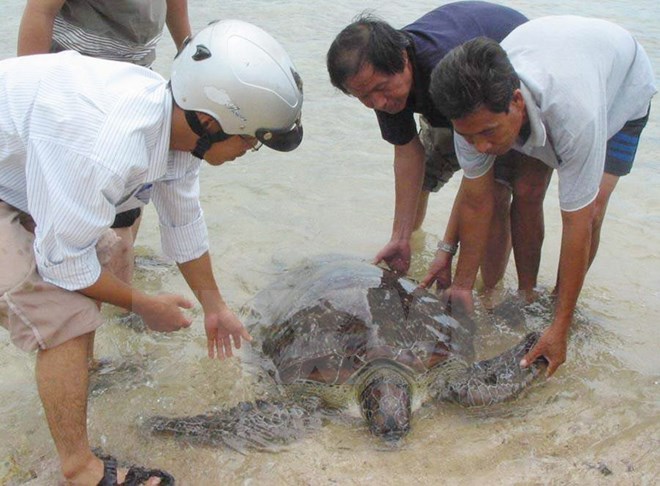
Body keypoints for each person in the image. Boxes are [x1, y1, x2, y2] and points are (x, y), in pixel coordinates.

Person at [0, 19, 303, 485]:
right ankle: (79, 469)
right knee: (62, 311)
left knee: (102, 256)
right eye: (251, 138)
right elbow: (65, 266)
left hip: (17, 174)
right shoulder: (107, 145)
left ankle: (78, 375)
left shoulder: (173, 126)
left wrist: (214, 307)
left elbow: (184, 222)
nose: (249, 150)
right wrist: (146, 306)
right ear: (209, 121)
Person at [426, 15, 656, 376]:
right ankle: (525, 296)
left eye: (488, 132)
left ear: (517, 102)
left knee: (591, 209)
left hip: (622, 91)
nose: (480, 146)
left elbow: (576, 223)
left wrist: (559, 328)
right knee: (527, 188)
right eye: (470, 137)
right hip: (557, 53)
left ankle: (560, 311)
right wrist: (462, 284)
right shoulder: (469, 120)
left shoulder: (575, 116)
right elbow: (477, 200)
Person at [326, 1, 552, 301]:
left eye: (380, 90)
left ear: (403, 59)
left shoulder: (441, 67)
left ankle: (488, 294)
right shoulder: (379, 80)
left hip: (498, 93)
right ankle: (407, 250)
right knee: (423, 179)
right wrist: (400, 236)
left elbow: (476, 185)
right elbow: (407, 153)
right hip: (445, 99)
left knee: (496, 193)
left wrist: (448, 251)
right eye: (363, 97)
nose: (378, 103)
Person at [17, 0, 192, 303]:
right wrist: (32, 93)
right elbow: (40, 11)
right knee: (85, 227)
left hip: (135, 75)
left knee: (129, 204)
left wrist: (190, 55)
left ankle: (117, 304)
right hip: (76, 85)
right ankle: (105, 313)